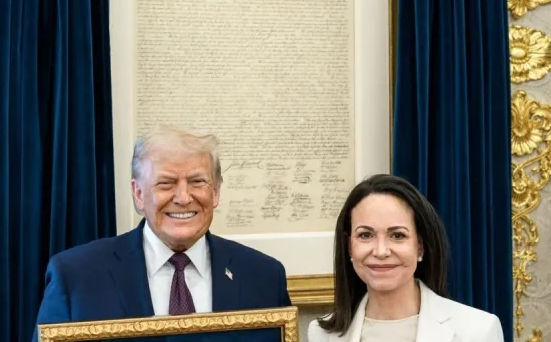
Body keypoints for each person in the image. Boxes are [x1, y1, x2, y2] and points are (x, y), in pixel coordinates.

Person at [32, 126, 291, 341]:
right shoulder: (76, 277)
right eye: (166, 183)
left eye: (197, 182)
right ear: (138, 194)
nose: (183, 197)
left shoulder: (265, 277)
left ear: (215, 192)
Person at [307, 174, 503, 342]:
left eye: (397, 235)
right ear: (349, 246)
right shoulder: (321, 335)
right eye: (365, 235)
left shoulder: (478, 331)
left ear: (420, 246)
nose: (381, 251)